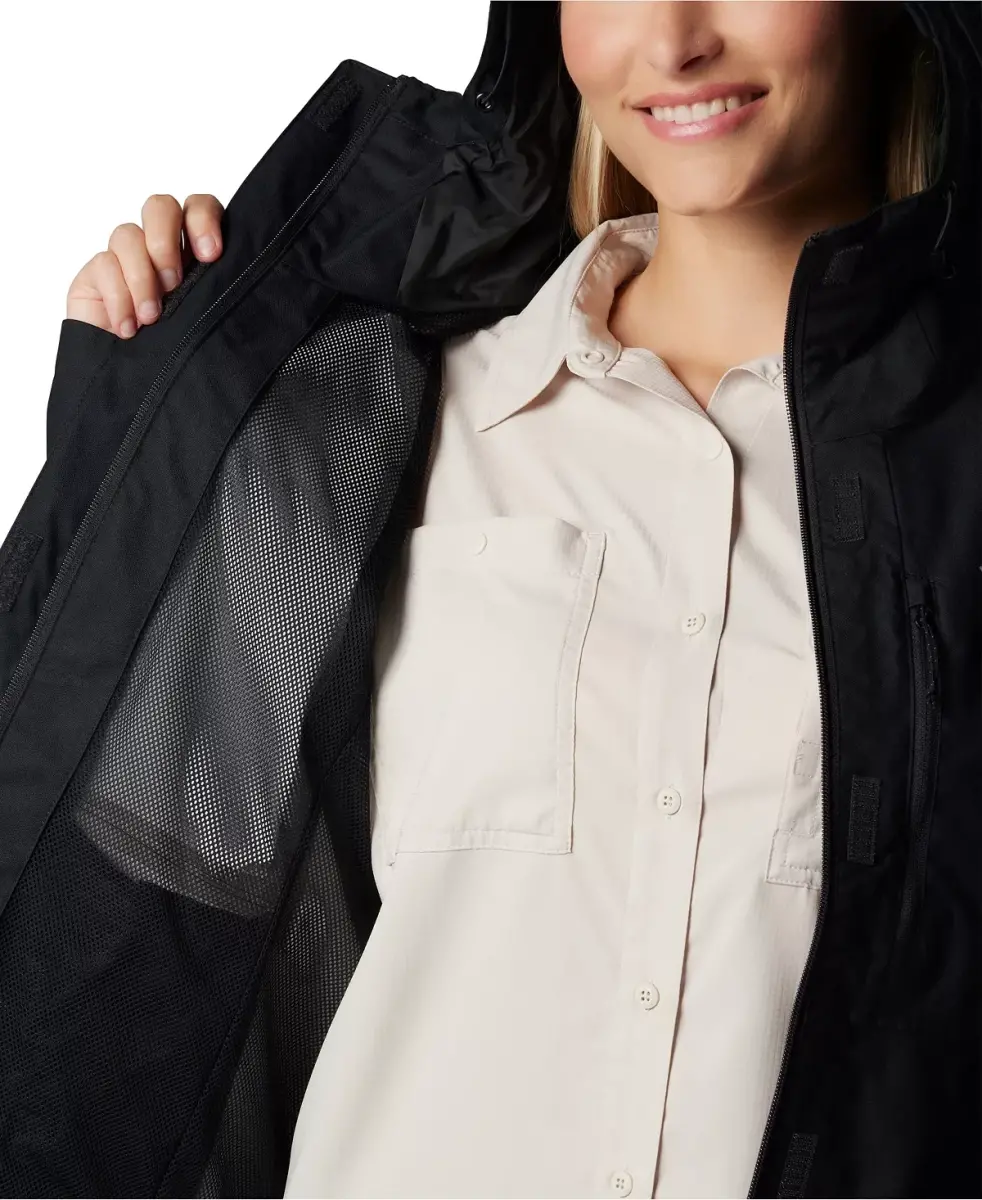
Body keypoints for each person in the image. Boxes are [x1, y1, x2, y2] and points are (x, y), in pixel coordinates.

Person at [3, 2, 979, 1197]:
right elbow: (139, 948)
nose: (672, 41)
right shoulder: (369, 418)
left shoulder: (955, 491)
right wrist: (146, 439)